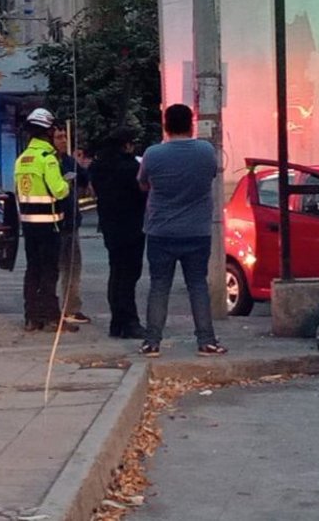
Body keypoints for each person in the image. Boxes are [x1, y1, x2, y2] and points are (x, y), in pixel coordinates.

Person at [137, 104, 227, 357]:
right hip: (197, 231)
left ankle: (152, 342)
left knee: (159, 286)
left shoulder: (152, 154)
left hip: (160, 231)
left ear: (166, 125)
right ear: (191, 124)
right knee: (197, 285)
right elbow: (209, 176)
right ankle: (206, 341)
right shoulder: (205, 151)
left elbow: (143, 184)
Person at [13, 107, 76, 333]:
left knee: (33, 270)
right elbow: (58, 191)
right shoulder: (47, 159)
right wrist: (66, 182)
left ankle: (31, 317)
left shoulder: (22, 159)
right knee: (50, 271)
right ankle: (51, 318)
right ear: (46, 132)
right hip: (50, 224)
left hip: (29, 225)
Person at [89, 127, 147, 339]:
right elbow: (142, 194)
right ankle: (130, 322)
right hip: (132, 227)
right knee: (129, 277)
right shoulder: (131, 168)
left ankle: (117, 322)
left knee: (116, 274)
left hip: (110, 227)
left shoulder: (98, 167)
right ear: (126, 145)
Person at [53, 128, 90, 325]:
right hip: (53, 223)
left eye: (65, 137)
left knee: (73, 268)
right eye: (59, 137)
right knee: (54, 268)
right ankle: (50, 308)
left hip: (71, 221)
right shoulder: (48, 161)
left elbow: (84, 179)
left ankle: (71, 308)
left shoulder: (68, 160)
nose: (63, 141)